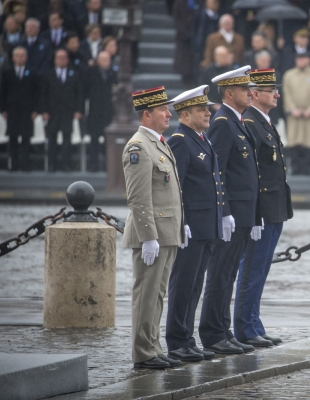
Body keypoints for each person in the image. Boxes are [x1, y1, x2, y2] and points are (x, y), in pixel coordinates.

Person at [199, 66, 262, 355]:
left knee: (228, 275)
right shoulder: (223, 122)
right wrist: (223, 212)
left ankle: (223, 329)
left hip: (243, 215)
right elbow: (217, 172)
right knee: (220, 274)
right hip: (232, 216)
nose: (252, 92)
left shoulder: (237, 121)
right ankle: (212, 334)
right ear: (229, 93)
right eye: (245, 89)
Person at [122, 86, 186, 370]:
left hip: (166, 233)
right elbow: (138, 197)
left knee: (158, 294)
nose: (168, 113)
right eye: (163, 110)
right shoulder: (138, 146)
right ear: (147, 114)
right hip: (152, 235)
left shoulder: (158, 142)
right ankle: (143, 352)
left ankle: (153, 345)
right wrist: (148, 237)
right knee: (146, 294)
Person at [235, 69, 293, 348]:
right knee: (253, 269)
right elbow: (251, 174)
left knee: (262, 268)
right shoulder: (250, 122)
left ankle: (254, 323)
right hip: (261, 209)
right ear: (256, 94)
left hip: (274, 206)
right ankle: (245, 328)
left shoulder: (263, 121)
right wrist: (255, 213)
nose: (277, 94)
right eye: (272, 91)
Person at [165, 85, 222, 363]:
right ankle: (176, 340)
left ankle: (187, 338)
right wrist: (182, 222)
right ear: (185, 115)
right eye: (202, 110)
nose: (208, 113)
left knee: (195, 284)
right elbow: (178, 186)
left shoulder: (202, 138)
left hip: (207, 225)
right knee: (183, 283)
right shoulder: (179, 140)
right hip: (192, 226)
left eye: (208, 108)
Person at [41, 48, 83, 172]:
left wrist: (78, 110)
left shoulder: (74, 74)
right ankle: (52, 166)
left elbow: (79, 94)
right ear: (54, 60)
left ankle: (66, 165)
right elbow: (43, 94)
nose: (61, 60)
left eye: (64, 58)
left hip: (68, 112)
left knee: (67, 140)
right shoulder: (48, 74)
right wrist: (44, 111)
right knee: (52, 139)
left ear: (68, 60)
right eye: (59, 58)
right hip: (52, 112)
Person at [282, 52, 310, 175]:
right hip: (294, 114)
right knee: (294, 141)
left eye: (303, 58)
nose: (300, 61)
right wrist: (292, 109)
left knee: (309, 141)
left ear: (309, 60)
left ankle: (309, 169)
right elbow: (286, 93)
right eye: (298, 58)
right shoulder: (289, 75)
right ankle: (295, 168)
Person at [0, 46, 38, 171]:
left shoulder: (32, 72)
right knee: (13, 138)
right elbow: (3, 92)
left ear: (26, 57)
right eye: (17, 55)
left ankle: (25, 164)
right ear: (13, 57)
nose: (20, 58)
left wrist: (35, 110)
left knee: (26, 137)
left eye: (22, 55)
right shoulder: (7, 72)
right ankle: (14, 164)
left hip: (27, 110)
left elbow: (36, 92)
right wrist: (3, 109)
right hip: (12, 110)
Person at [84, 50, 115, 172]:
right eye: (104, 60)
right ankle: (93, 166)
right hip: (95, 112)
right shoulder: (90, 72)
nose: (107, 62)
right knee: (94, 140)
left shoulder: (114, 73)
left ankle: (108, 167)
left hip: (109, 112)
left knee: (108, 141)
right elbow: (84, 91)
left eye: (108, 60)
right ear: (98, 61)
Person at [201, 45, 236, 111]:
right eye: (222, 56)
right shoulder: (208, 70)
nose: (224, 58)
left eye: (226, 56)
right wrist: (213, 103)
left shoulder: (232, 70)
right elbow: (204, 89)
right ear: (215, 57)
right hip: (212, 106)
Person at [172, 0, 196, 89]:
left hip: (195, 36)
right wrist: (185, 32)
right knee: (183, 60)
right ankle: (186, 80)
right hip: (182, 37)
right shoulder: (179, 2)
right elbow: (176, 19)